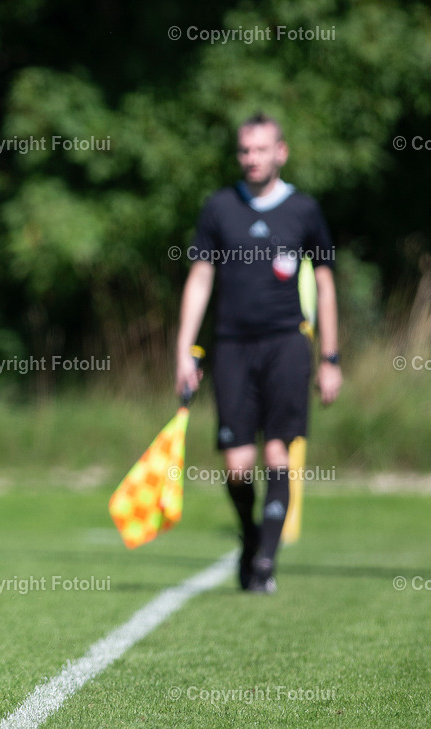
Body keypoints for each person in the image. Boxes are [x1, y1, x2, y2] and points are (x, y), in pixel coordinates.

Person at [175, 112, 342, 594]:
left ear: (281, 153)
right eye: (245, 150)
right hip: (230, 346)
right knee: (236, 464)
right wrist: (184, 351)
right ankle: (251, 538)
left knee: (277, 453)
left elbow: (326, 286)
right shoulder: (219, 208)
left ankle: (264, 563)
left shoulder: (304, 211)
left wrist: (330, 358)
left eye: (261, 149)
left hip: (288, 343)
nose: (251, 158)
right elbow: (200, 279)